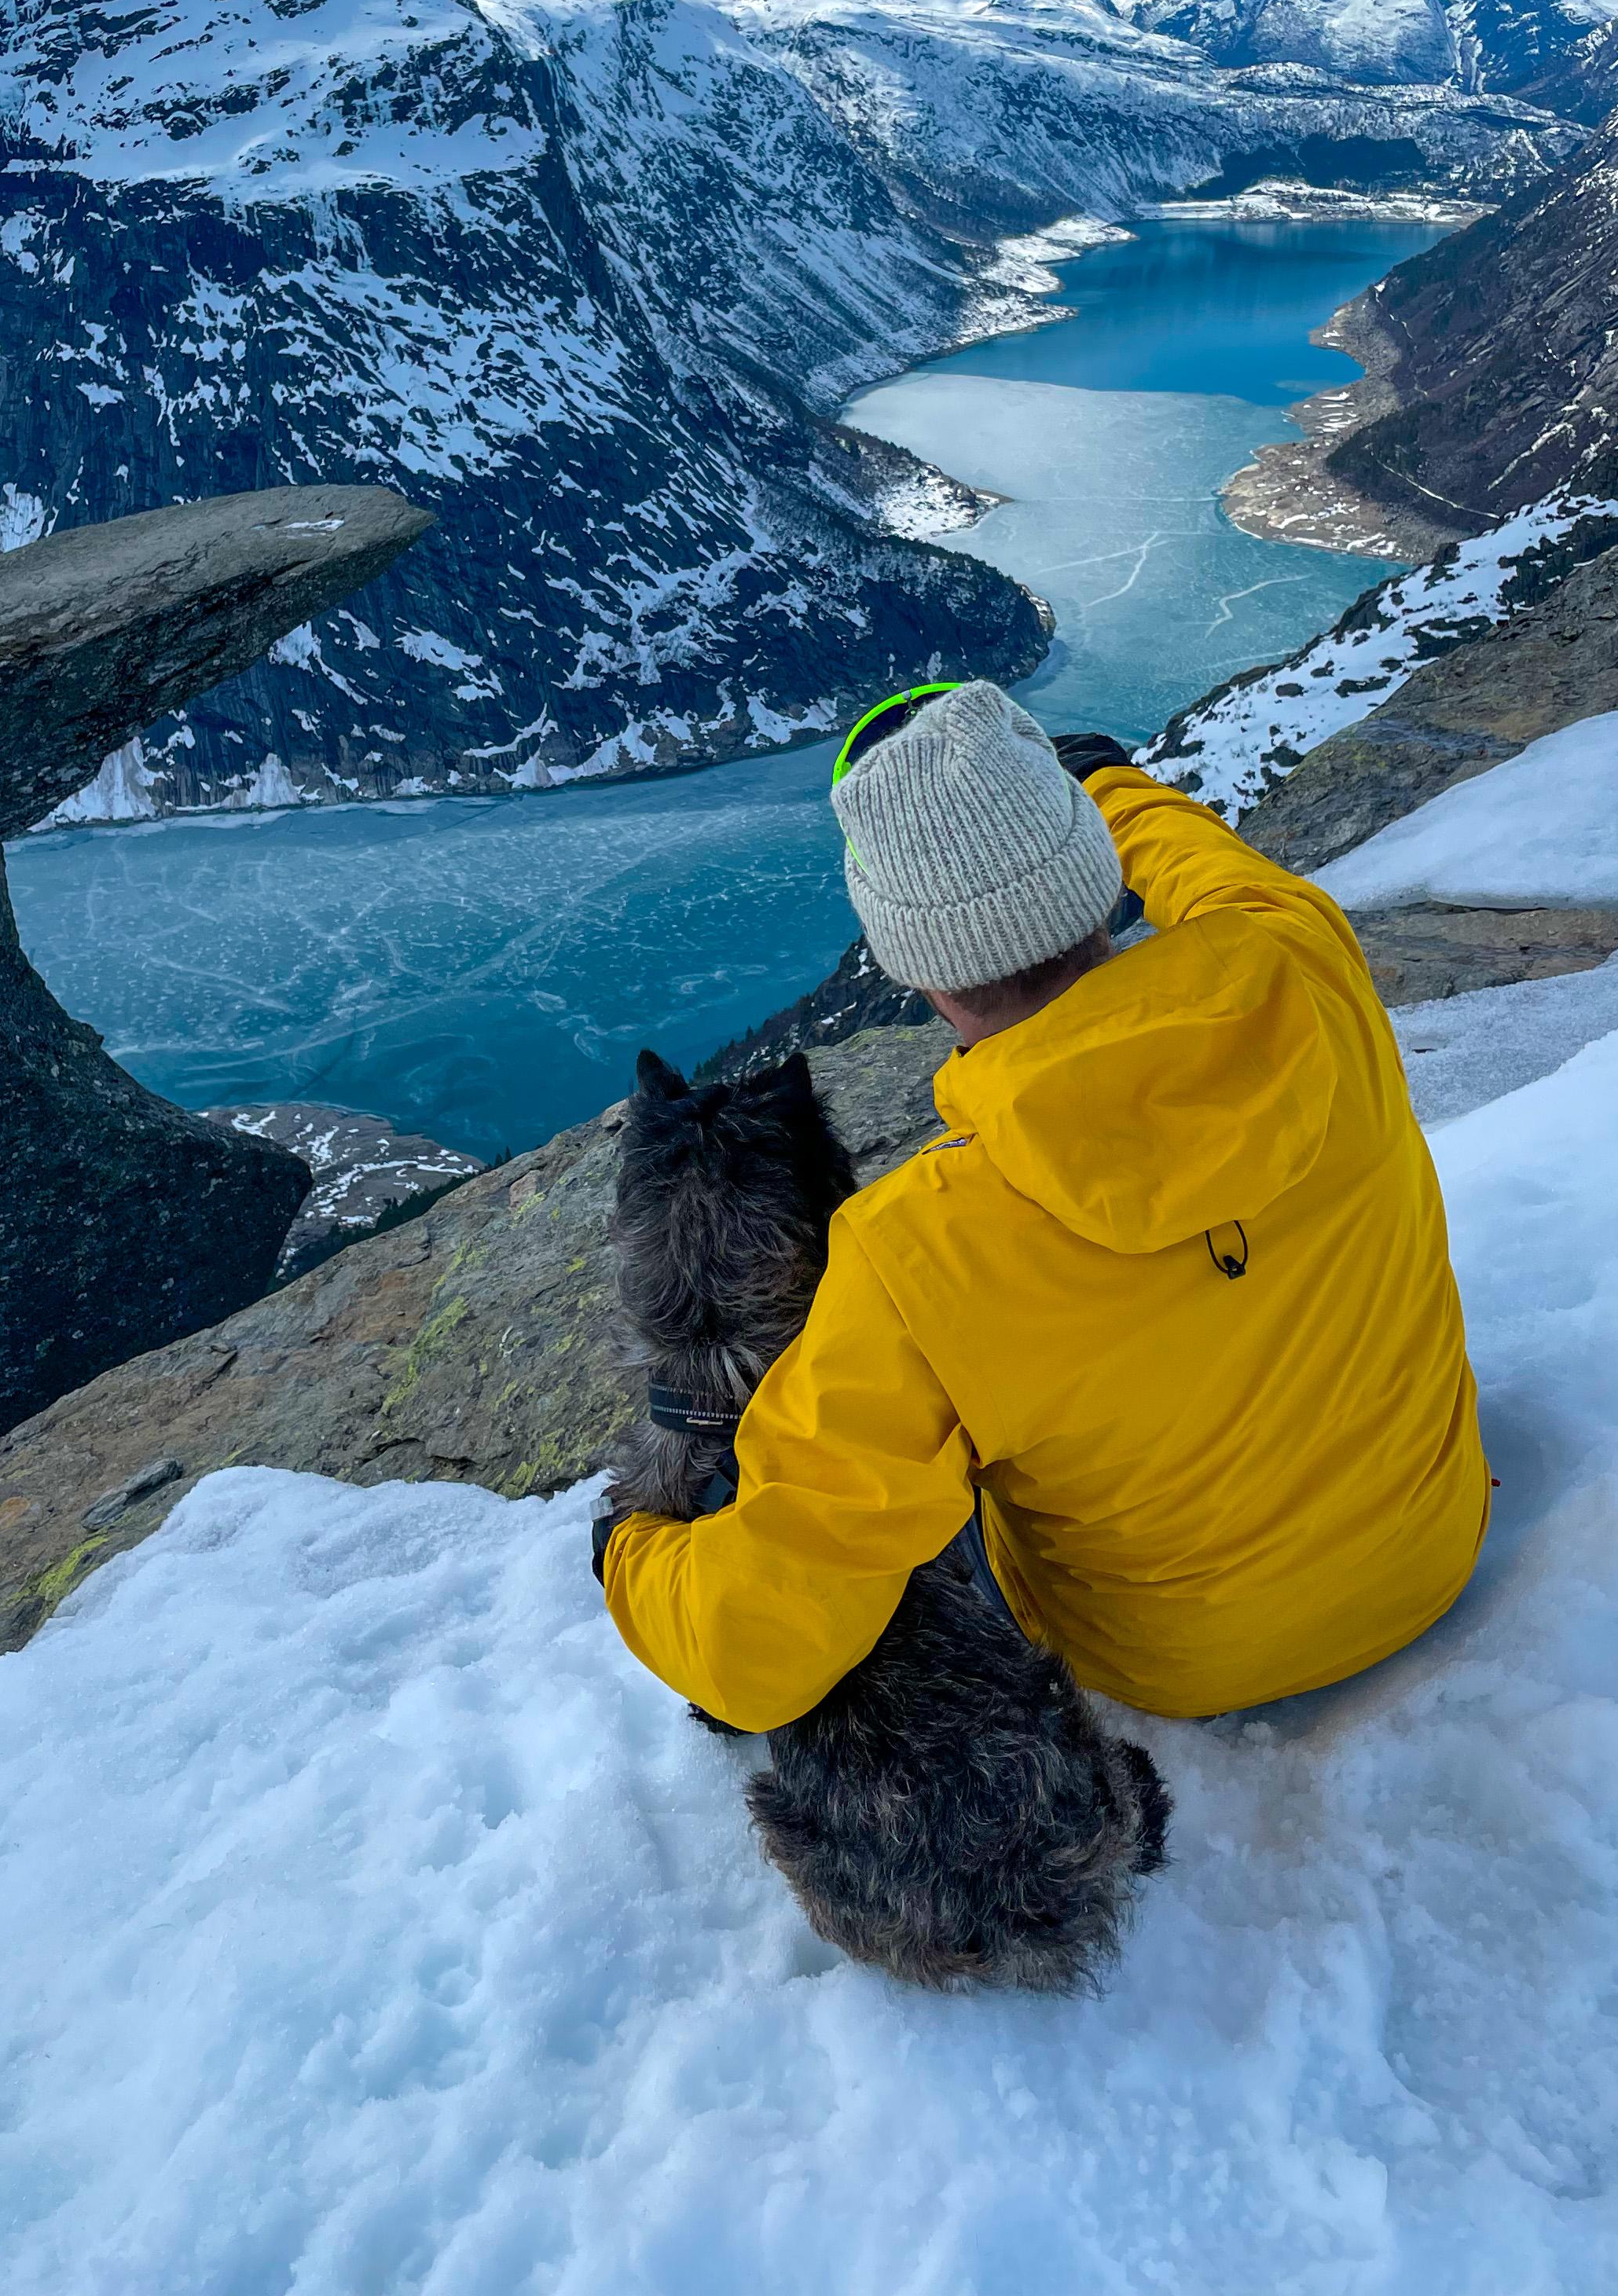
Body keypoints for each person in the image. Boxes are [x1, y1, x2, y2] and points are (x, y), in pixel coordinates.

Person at [598, 679, 1488, 1730]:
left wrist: (632, 1555)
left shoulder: (916, 1250)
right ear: (1096, 878)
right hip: (1434, 1549)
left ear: (909, 960)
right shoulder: (1307, 964)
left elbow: (751, 1660)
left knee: (901, 1491)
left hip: (1176, 1668)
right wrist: (1102, 783)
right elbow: (1205, 868)